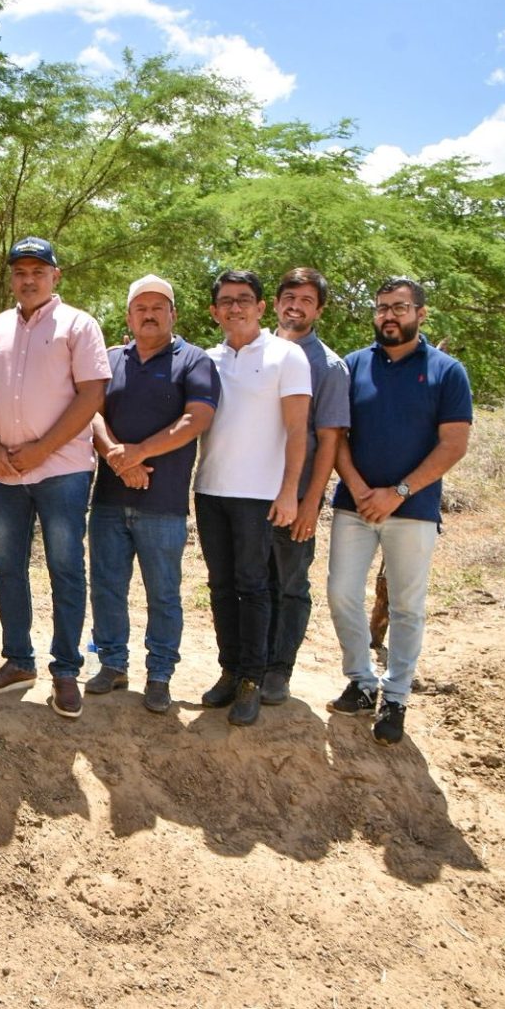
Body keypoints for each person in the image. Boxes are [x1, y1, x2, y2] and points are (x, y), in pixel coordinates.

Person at [326, 278, 471, 745]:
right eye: (382, 307)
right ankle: (363, 683)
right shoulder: (353, 366)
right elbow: (336, 437)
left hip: (414, 509)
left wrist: (399, 491)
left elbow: (454, 444)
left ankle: (397, 697)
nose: (390, 315)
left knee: (407, 607)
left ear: (420, 314)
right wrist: (360, 487)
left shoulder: (447, 371)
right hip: (355, 506)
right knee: (341, 594)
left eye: (400, 308)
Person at [0, 236, 109, 718]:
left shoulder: (79, 324)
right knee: (7, 568)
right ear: (11, 278)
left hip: (63, 471)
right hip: (4, 473)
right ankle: (17, 661)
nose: (28, 279)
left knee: (66, 569)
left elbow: (92, 395)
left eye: (37, 271)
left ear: (56, 275)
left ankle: (66, 670)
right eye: (19, 272)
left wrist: (41, 451)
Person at [85, 275, 219, 714]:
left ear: (172, 314)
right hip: (107, 499)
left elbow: (195, 419)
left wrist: (138, 453)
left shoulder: (194, 361)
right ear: (128, 315)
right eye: (140, 307)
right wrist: (117, 459)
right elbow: (93, 414)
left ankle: (160, 674)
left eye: (157, 306)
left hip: (163, 506)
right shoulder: (110, 360)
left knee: (163, 593)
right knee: (106, 586)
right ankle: (112, 664)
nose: (148, 313)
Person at [193, 270, 310, 727]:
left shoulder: (287, 356)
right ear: (214, 310)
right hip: (210, 490)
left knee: (254, 587)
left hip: (260, 495)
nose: (235, 307)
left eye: (244, 300)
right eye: (226, 301)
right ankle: (229, 671)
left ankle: (252, 681)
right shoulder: (206, 359)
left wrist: (290, 492)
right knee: (220, 587)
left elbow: (299, 430)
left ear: (262, 308)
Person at [262, 268, 350, 705]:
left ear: (319, 309)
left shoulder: (328, 366)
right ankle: (249, 666)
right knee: (251, 583)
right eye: (289, 297)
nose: (295, 305)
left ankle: (278, 670)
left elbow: (330, 439)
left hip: (296, 498)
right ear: (275, 303)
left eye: (307, 300)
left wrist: (312, 503)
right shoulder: (252, 350)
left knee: (290, 584)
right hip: (249, 493)